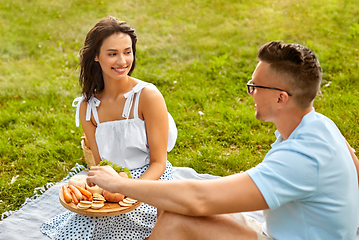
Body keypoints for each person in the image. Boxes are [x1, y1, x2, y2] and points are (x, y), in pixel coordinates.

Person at [86, 41, 359, 240]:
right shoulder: (321, 125)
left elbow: (199, 200)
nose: (250, 93)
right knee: (170, 202)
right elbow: (355, 168)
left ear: (281, 98)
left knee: (177, 221)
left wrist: (120, 184)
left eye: (254, 86)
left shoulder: (300, 158)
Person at [40, 16, 177, 240]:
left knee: (129, 224)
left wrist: (131, 190)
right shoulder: (88, 107)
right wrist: (104, 186)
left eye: (127, 51)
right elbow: (101, 162)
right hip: (114, 181)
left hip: (151, 180)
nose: (122, 61)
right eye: (112, 53)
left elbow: (159, 163)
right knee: (88, 225)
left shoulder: (147, 96)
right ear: (96, 56)